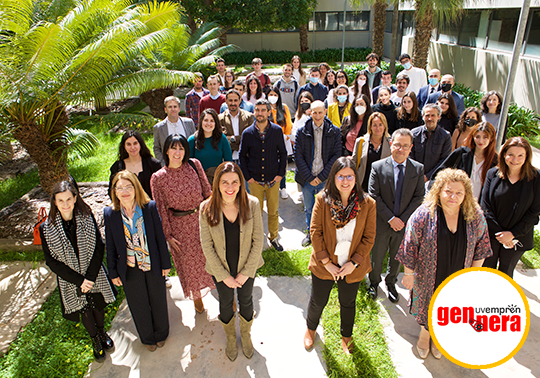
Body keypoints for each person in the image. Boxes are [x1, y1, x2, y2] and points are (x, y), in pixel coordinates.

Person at [397, 168, 492, 359]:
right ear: (439, 190)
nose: (453, 197)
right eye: (448, 191)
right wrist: (408, 274)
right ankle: (425, 334)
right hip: (428, 275)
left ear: (466, 195)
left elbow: (482, 246)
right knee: (429, 304)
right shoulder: (424, 214)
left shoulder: (475, 216)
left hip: (460, 273)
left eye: (459, 193)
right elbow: (410, 244)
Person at [303, 157, 377, 354]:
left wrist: (354, 263)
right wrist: (326, 263)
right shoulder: (322, 199)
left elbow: (369, 237)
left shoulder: (368, 203)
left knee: (348, 302)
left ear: (356, 178)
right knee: (318, 300)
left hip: (351, 265)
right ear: (333, 178)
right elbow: (315, 232)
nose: (345, 181)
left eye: (350, 176)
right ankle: (311, 329)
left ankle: (346, 336)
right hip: (325, 264)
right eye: (341, 176)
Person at [41, 180, 116, 361]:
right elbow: (51, 261)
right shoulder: (46, 228)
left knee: (97, 303)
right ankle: (95, 340)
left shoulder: (86, 217)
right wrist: (80, 281)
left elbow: (99, 246)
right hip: (71, 279)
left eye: (69, 199)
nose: (65, 204)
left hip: (93, 273)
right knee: (84, 309)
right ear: (54, 202)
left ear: (75, 198)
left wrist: (89, 277)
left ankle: (102, 333)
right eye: (61, 201)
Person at [200, 162, 264, 361]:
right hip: (221, 268)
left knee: (246, 301)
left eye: (235, 182)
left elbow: (258, 240)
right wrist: (223, 275)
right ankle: (230, 336)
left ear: (240, 183)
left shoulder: (252, 204)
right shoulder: (206, 207)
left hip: (247, 266)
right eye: (225, 182)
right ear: (217, 183)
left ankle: (245, 334)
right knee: (226, 302)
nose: (230, 187)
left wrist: (246, 271)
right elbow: (207, 245)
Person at [105, 171, 172, 352]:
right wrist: (112, 272)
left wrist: (166, 263)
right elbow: (110, 246)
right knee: (138, 303)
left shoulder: (149, 207)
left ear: (136, 188)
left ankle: (161, 334)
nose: (125, 191)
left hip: (152, 264)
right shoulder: (111, 214)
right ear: (115, 191)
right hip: (129, 268)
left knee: (157, 299)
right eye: (120, 188)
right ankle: (148, 338)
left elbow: (159, 237)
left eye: (129, 186)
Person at [150, 134, 215, 313]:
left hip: (202, 222)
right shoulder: (158, 178)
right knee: (190, 269)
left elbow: (208, 193)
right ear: (166, 151)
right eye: (173, 148)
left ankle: (227, 300)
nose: (177, 152)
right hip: (180, 229)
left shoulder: (194, 165)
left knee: (214, 262)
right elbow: (161, 210)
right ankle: (198, 301)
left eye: (181, 148)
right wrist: (168, 236)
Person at [368, 128, 425, 302]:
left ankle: (391, 282)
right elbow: (373, 195)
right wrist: (391, 219)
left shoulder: (417, 169)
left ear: (411, 147)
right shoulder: (377, 167)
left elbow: (418, 197)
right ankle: (374, 283)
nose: (401, 149)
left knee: (397, 256)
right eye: (398, 145)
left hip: (404, 224)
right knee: (377, 256)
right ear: (391, 144)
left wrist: (402, 220)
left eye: (405, 146)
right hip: (383, 222)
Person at [481, 137, 540, 278]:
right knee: (486, 273)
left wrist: (512, 234)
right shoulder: (492, 174)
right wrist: (501, 234)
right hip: (493, 235)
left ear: (527, 157)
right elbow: (485, 207)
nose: (515, 159)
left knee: (505, 275)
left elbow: (534, 212)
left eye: (521, 155)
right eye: (511, 154)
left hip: (519, 237)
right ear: (504, 154)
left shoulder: (536, 178)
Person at [239, 99, 287, 251]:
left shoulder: (277, 130)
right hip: (255, 182)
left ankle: (273, 238)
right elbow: (242, 156)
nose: (259, 113)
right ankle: (256, 239)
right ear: (254, 112)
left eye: (262, 110)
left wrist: (280, 174)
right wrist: (248, 178)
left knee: (273, 211)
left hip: (273, 179)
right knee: (255, 213)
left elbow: (283, 154)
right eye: (257, 110)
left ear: (268, 112)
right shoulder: (247, 133)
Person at [295, 100, 342, 246]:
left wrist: (321, 177)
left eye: (320, 112)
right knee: (309, 209)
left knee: (327, 209)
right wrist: (310, 178)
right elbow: (298, 156)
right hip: (307, 179)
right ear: (310, 112)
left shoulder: (334, 131)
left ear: (325, 112)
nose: (317, 115)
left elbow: (336, 155)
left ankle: (325, 234)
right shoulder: (302, 131)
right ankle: (310, 234)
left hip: (326, 179)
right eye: (314, 112)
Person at [432, 122, 498, 200]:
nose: (480, 141)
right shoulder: (462, 152)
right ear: (473, 137)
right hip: (457, 202)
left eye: (485, 137)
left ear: (491, 139)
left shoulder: (495, 160)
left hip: (479, 206)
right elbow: (440, 172)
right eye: (477, 137)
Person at [109, 130, 161, 200]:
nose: (133, 147)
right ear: (124, 146)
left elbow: (161, 189)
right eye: (129, 144)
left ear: (140, 144)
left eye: (135, 143)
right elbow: (111, 191)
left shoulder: (153, 164)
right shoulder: (117, 167)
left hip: (150, 207)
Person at [188, 108, 233, 183]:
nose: (208, 123)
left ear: (216, 123)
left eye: (212, 121)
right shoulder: (192, 140)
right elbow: (188, 165)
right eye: (206, 120)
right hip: (198, 182)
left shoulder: (222, 139)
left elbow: (228, 161)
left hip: (217, 180)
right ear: (201, 121)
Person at [410, 104, 452, 182]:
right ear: (423, 116)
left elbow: (445, 160)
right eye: (427, 115)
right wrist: (417, 174)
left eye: (433, 115)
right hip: (414, 177)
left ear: (438, 116)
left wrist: (428, 176)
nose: (430, 118)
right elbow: (409, 155)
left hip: (435, 179)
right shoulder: (414, 133)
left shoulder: (445, 136)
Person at [352, 112, 392, 192]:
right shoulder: (360, 142)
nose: (378, 128)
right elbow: (354, 163)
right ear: (370, 127)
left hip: (382, 188)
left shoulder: (391, 143)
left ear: (384, 126)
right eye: (374, 125)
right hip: (362, 186)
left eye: (380, 124)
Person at [153, 96, 196, 164]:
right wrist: (163, 164)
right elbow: (156, 148)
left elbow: (195, 142)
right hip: (169, 165)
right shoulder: (159, 127)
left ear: (179, 109)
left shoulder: (189, 123)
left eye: (175, 106)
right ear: (165, 109)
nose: (173, 109)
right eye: (170, 107)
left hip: (187, 163)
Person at [267, 87, 294, 198]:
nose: (273, 97)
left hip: (283, 140)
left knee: (282, 164)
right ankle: (271, 186)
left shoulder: (283, 107)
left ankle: (283, 187)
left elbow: (288, 124)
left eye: (275, 95)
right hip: (268, 141)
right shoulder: (265, 108)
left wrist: (286, 137)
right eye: (271, 94)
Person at [219, 89, 254, 162]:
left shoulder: (249, 117)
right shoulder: (220, 118)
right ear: (226, 101)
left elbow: (250, 137)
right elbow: (220, 139)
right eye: (230, 100)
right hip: (227, 158)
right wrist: (240, 138)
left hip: (246, 157)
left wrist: (233, 138)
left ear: (239, 101)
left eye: (235, 100)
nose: (233, 103)